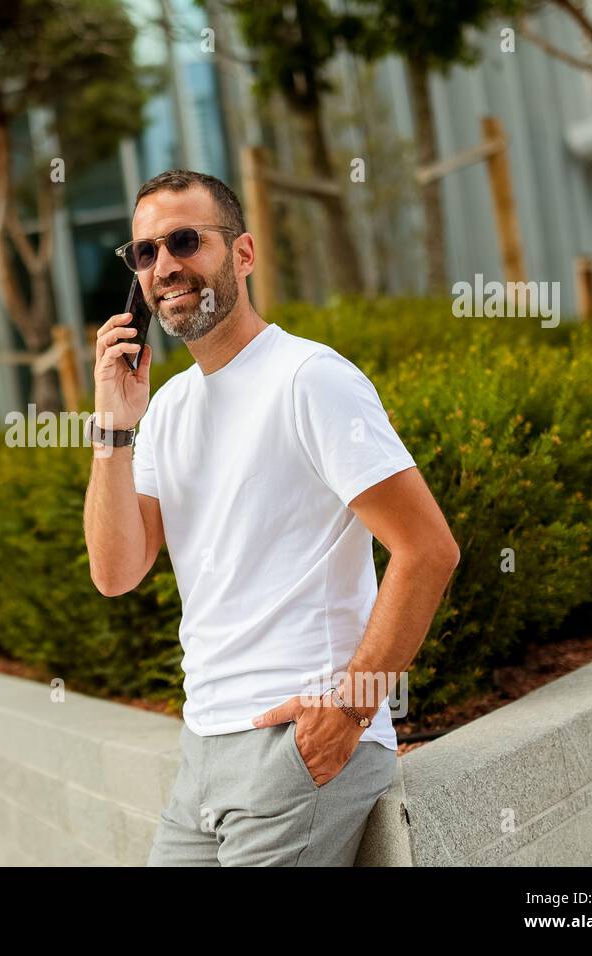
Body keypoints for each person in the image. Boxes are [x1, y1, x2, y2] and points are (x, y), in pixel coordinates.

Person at [82, 169, 461, 866]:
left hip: (298, 747)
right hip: (202, 750)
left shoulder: (309, 379)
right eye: (145, 253)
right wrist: (113, 425)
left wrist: (349, 712)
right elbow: (115, 572)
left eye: (186, 241)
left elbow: (427, 549)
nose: (165, 266)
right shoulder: (164, 409)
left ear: (244, 254)